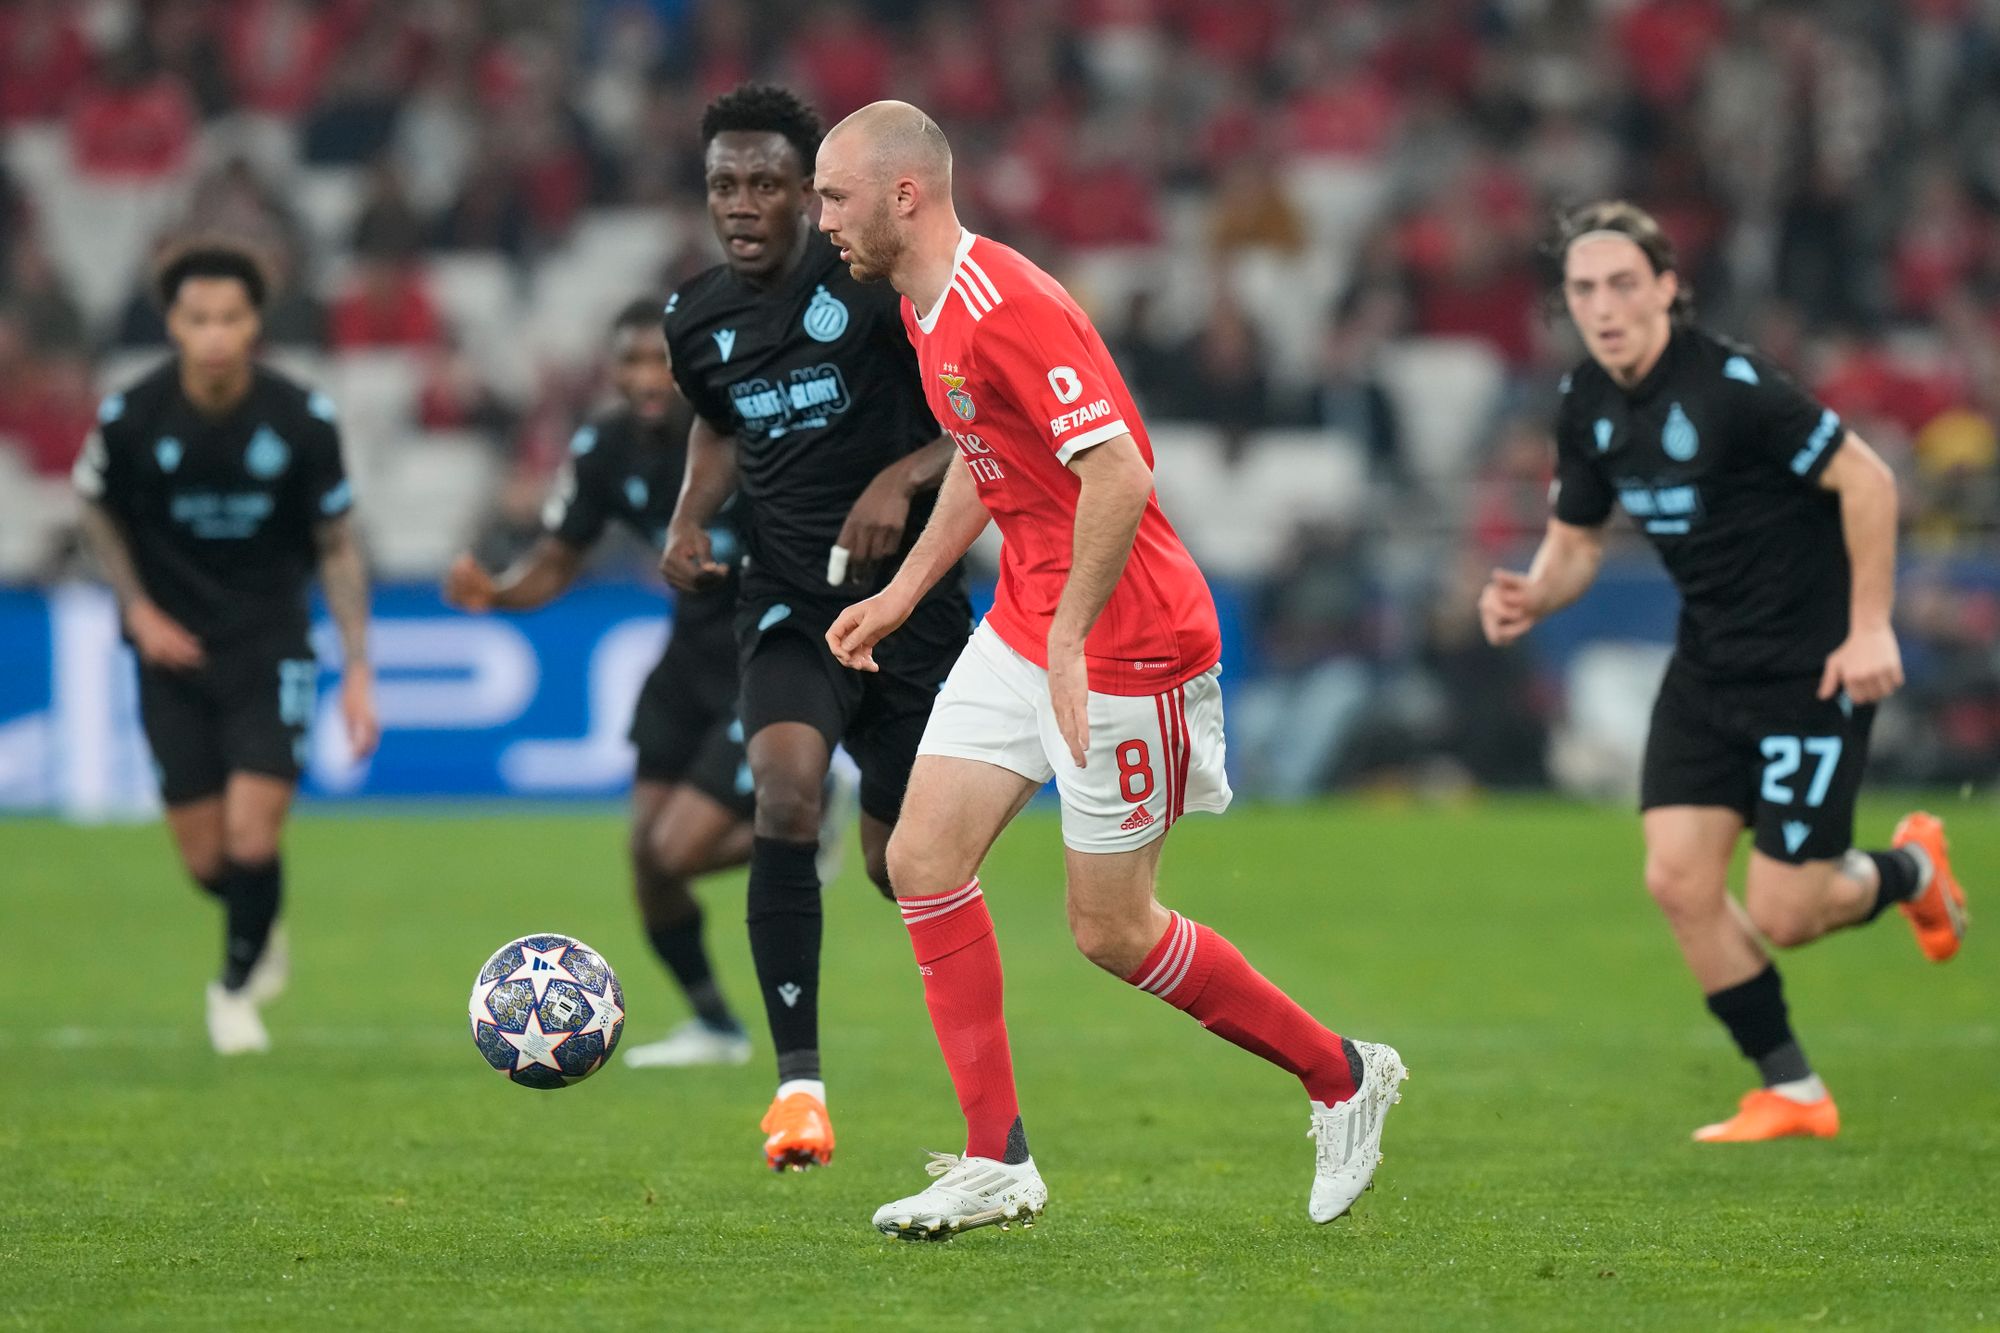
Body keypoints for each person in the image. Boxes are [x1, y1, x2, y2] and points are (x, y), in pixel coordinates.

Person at [815, 101, 1407, 1240]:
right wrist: (899, 594)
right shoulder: (921, 306)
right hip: (1029, 618)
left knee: (1112, 931)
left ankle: (1339, 1073)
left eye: (833, 196)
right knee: (919, 855)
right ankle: (996, 1161)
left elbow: (1121, 475)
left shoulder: (1003, 307)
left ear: (903, 194)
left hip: (1126, 640)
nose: (820, 219)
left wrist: (1074, 641)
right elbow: (988, 467)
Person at [1480, 201, 1970, 1143]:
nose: (1604, 306)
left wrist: (1870, 627)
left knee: (1789, 911)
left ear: (1667, 286)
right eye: (1584, 289)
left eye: (1624, 284)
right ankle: (1791, 1088)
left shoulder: (1733, 385)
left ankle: (1911, 868)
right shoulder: (1586, 402)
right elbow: (1576, 545)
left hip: (1809, 670)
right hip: (1708, 668)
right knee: (1677, 881)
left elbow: (1866, 477)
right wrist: (1535, 594)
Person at [658, 85, 965, 1171]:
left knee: (903, 869)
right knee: (783, 793)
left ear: (807, 193)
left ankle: (979, 1102)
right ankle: (797, 1092)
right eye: (722, 185)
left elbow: (978, 420)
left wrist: (901, 472)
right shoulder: (692, 320)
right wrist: (690, 517)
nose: (740, 204)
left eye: (766, 184)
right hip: (787, 600)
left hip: (916, 614)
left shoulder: (873, 291)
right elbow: (716, 418)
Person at [72, 241, 378, 1055]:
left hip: (270, 646)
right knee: (208, 860)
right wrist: (135, 608)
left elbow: (338, 545)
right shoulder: (131, 415)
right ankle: (259, 921)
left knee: (253, 837)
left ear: (254, 324)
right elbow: (94, 507)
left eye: (230, 318)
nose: (214, 333)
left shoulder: (301, 418)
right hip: (169, 652)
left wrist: (358, 669)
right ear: (173, 323)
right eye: (198, 317)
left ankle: (234, 988)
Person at [443, 299, 756, 1069]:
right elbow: (558, 556)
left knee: (678, 848)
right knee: (647, 858)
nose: (647, 379)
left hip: (765, 657)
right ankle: (715, 1024)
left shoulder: (748, 437)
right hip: (686, 662)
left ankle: (801, 829)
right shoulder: (607, 447)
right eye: (632, 363)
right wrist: (499, 591)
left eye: (663, 362)